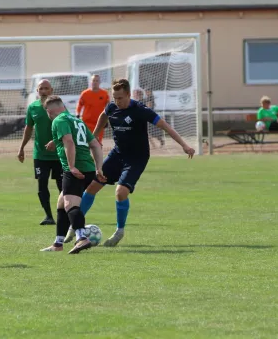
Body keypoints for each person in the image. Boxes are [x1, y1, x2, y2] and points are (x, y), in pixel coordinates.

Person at [64, 78, 195, 247]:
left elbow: (166, 126)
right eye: (114, 97)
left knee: (120, 192)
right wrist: (94, 136)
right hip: (117, 154)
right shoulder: (111, 107)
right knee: (92, 187)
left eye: (119, 98)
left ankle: (119, 231)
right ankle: (75, 226)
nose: (116, 101)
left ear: (127, 94)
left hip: (137, 157)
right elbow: (103, 116)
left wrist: (184, 145)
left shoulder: (140, 110)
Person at [39, 95, 106, 254]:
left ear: (50, 111)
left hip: (76, 168)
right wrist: (99, 169)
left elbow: (69, 141)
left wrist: (71, 166)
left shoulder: (59, 121)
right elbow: (95, 144)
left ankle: (82, 238)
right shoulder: (77, 121)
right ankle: (58, 244)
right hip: (88, 168)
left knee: (70, 205)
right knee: (62, 204)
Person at [18, 79, 62, 225]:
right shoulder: (33, 108)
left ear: (51, 90)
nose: (43, 91)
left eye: (46, 88)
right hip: (40, 155)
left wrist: (56, 142)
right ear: (37, 91)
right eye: (41, 88)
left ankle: (65, 214)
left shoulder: (59, 106)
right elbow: (28, 128)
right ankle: (48, 216)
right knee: (42, 185)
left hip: (58, 155)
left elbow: (67, 125)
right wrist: (22, 147)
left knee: (63, 186)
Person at [76, 74, 110, 143]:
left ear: (100, 82)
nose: (95, 82)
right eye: (93, 80)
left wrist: (106, 119)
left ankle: (98, 154)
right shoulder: (85, 93)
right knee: (86, 143)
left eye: (97, 81)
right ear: (91, 82)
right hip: (87, 123)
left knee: (98, 143)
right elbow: (79, 105)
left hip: (99, 123)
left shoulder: (104, 94)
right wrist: (77, 114)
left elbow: (108, 107)